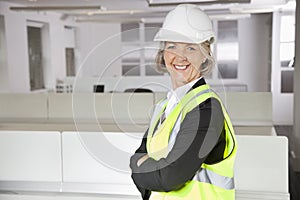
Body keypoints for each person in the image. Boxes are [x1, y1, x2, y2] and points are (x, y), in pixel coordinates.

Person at [130, 4, 237, 200]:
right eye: (172, 46)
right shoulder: (165, 106)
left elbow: (169, 176)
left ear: (205, 57)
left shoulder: (207, 108)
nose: (180, 56)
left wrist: (143, 167)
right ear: (163, 54)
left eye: (190, 47)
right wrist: (144, 165)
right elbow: (137, 156)